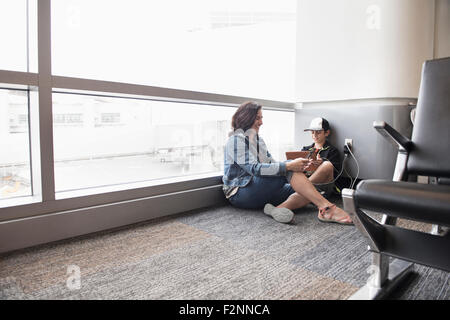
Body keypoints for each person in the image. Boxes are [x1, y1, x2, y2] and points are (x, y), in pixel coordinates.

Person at [222, 101, 353, 225]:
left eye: (261, 118)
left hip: (262, 188)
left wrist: (298, 168)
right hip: (241, 192)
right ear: (246, 118)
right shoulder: (235, 140)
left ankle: (276, 209)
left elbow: (271, 164)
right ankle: (326, 208)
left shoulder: (259, 140)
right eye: (257, 118)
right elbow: (254, 169)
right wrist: (289, 166)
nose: (261, 122)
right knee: (292, 170)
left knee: (310, 189)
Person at [301, 117, 341, 197]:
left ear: (326, 133)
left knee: (327, 165)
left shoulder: (332, 151)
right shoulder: (305, 149)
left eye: (318, 132)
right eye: (312, 132)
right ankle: (301, 190)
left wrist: (321, 163)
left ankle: (301, 189)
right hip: (305, 180)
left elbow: (335, 174)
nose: (314, 135)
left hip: (322, 186)